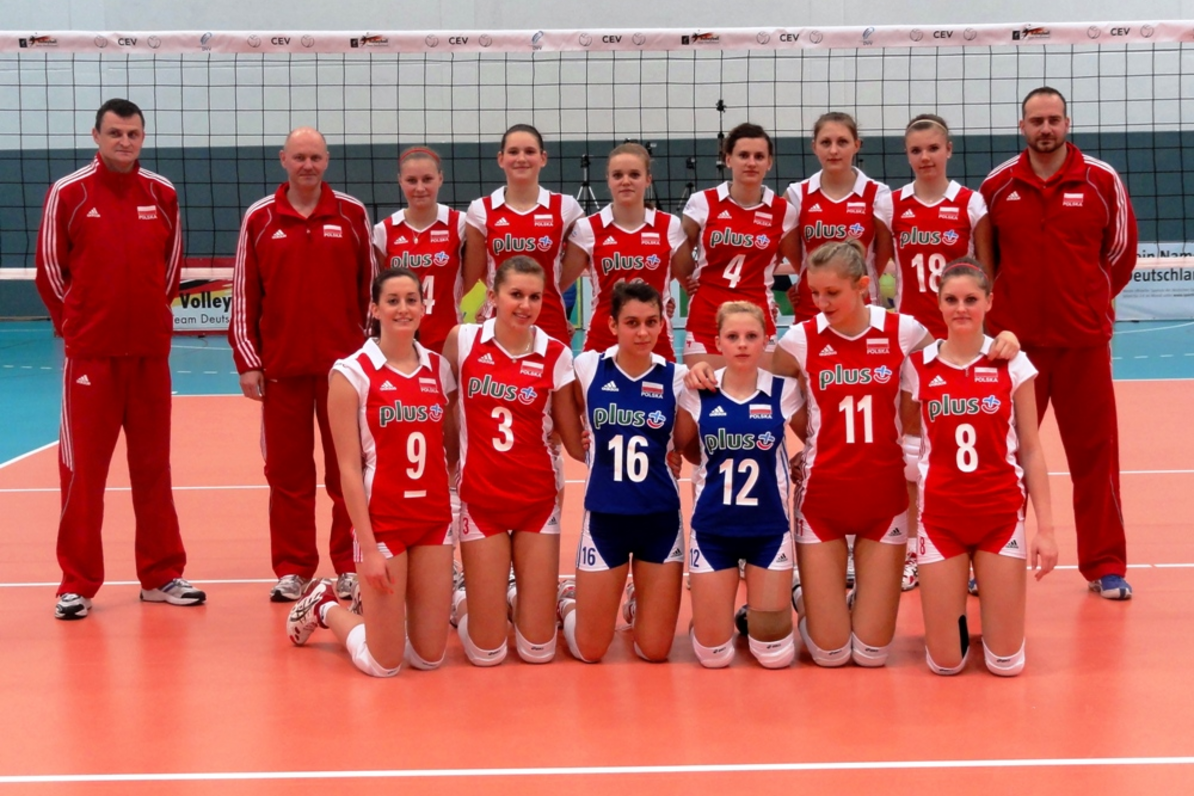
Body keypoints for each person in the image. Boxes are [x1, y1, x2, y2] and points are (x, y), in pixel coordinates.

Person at [35, 98, 205, 620]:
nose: (124, 142)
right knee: (82, 473)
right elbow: (49, 270)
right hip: (92, 358)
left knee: (153, 469)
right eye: (115, 133)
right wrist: (79, 327)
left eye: (132, 134)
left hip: (149, 355)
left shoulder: (162, 193)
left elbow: (170, 268)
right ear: (96, 135)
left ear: (142, 137)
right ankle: (76, 584)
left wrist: (151, 318)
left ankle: (161, 574)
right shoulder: (69, 193)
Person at [981, 87, 1138, 599]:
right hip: (1014, 347)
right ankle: (996, 559)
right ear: (1021, 126)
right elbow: (987, 260)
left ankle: (1105, 565)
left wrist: (1090, 302)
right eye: (1036, 121)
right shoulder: (998, 185)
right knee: (1005, 460)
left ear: (1067, 123)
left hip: (1083, 344)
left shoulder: (1100, 179)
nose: (1045, 128)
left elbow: (1121, 252)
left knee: (1096, 458)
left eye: (1053, 119)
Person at [285, 267, 458, 676]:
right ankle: (325, 606)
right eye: (392, 301)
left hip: (433, 519)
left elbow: (451, 448)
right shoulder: (351, 372)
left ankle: (381, 615)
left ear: (424, 307)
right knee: (384, 664)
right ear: (375, 309)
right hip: (384, 524)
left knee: (429, 658)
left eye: (411, 300)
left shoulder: (439, 369)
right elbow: (347, 468)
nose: (403, 309)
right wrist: (369, 547)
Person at [229, 127, 374, 603]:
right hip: (281, 370)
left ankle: (349, 563)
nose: (307, 165)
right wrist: (249, 361)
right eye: (299, 157)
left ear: (327, 160)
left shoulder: (351, 213)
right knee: (287, 476)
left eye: (315, 157)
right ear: (283, 160)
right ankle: (293, 568)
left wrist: (364, 357)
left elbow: (369, 291)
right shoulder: (259, 218)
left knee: (347, 471)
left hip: (343, 373)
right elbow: (245, 293)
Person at [900, 259, 1058, 675]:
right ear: (938, 304)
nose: (961, 308)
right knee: (945, 664)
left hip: (999, 517)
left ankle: (993, 624)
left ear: (989, 302)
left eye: (971, 299)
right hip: (941, 521)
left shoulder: (1013, 363)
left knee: (1006, 663)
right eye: (951, 300)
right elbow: (907, 445)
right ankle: (954, 627)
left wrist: (1046, 530)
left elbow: (1031, 449)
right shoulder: (917, 368)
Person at [777, 241, 928, 668]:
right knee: (830, 654)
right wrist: (809, 439)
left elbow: (952, 362)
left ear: (863, 286)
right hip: (822, 500)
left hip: (884, 499)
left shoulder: (904, 331)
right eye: (815, 293)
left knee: (871, 654)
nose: (821, 303)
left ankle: (853, 602)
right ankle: (806, 597)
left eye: (832, 293)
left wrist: (1002, 341)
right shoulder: (800, 339)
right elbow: (761, 392)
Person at [442, 256, 585, 666]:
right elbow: (445, 408)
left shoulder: (556, 353)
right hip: (481, 500)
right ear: (492, 295)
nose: (525, 305)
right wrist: (450, 467)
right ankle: (463, 601)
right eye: (516, 295)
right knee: (486, 653)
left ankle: (555, 602)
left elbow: (570, 437)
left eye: (535, 297)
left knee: (538, 651)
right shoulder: (463, 340)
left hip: (536, 502)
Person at [890, 114, 995, 592]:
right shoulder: (892, 205)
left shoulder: (970, 203)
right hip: (913, 340)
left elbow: (985, 275)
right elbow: (875, 263)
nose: (925, 157)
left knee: (962, 447)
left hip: (960, 342)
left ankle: (973, 553)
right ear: (907, 155)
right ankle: (915, 550)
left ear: (949, 150)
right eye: (916, 150)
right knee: (910, 451)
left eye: (933, 148)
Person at [557, 282, 687, 663]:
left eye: (651, 322)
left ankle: (635, 604)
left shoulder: (677, 377)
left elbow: (691, 443)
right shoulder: (588, 367)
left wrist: (677, 453)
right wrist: (578, 437)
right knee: (590, 651)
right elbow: (559, 402)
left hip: (660, 520)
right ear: (613, 325)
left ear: (662, 324)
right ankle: (567, 603)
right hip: (605, 519)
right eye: (632, 322)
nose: (642, 332)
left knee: (654, 652)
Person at [674, 301, 804, 669]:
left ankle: (787, 599)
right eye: (733, 336)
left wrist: (802, 457)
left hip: (768, 531)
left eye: (751, 336)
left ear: (766, 340)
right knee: (713, 656)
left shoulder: (784, 390)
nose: (742, 344)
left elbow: (819, 436)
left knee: (775, 657)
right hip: (713, 531)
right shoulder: (698, 391)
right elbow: (679, 446)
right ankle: (711, 620)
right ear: (718, 343)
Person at [679, 123, 799, 369]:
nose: (751, 163)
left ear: (769, 162)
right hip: (706, 316)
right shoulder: (702, 202)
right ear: (728, 159)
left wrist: (798, 291)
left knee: (760, 393)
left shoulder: (783, 211)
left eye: (759, 156)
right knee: (705, 391)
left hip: (758, 316)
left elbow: (801, 264)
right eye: (743, 155)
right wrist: (687, 282)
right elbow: (678, 254)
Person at [560, 142, 692, 360]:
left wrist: (663, 300)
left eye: (634, 174)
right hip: (602, 343)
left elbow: (692, 284)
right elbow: (557, 286)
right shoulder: (587, 228)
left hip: (656, 345)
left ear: (648, 180)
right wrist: (559, 319)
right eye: (618, 175)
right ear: (608, 180)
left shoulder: (669, 226)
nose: (626, 181)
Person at [463, 124, 584, 346]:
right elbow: (476, 269)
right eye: (513, 152)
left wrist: (547, 288)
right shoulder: (480, 210)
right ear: (501, 159)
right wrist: (504, 291)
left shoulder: (567, 207)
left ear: (543, 158)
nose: (521, 158)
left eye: (529, 151)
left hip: (550, 320)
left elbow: (580, 259)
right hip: (498, 319)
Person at [784, 112, 894, 323]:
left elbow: (880, 257)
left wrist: (851, 281)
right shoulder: (796, 195)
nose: (833, 150)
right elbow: (798, 258)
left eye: (842, 142)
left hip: (862, 305)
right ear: (814, 147)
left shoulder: (879, 194)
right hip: (811, 308)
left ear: (856, 145)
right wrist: (816, 278)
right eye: (826, 142)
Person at [372, 147, 466, 354]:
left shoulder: (460, 224)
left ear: (440, 178)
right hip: (400, 340)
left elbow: (476, 275)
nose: (420, 188)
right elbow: (378, 288)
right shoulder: (384, 231)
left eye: (427, 179)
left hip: (447, 339)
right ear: (400, 181)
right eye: (412, 181)